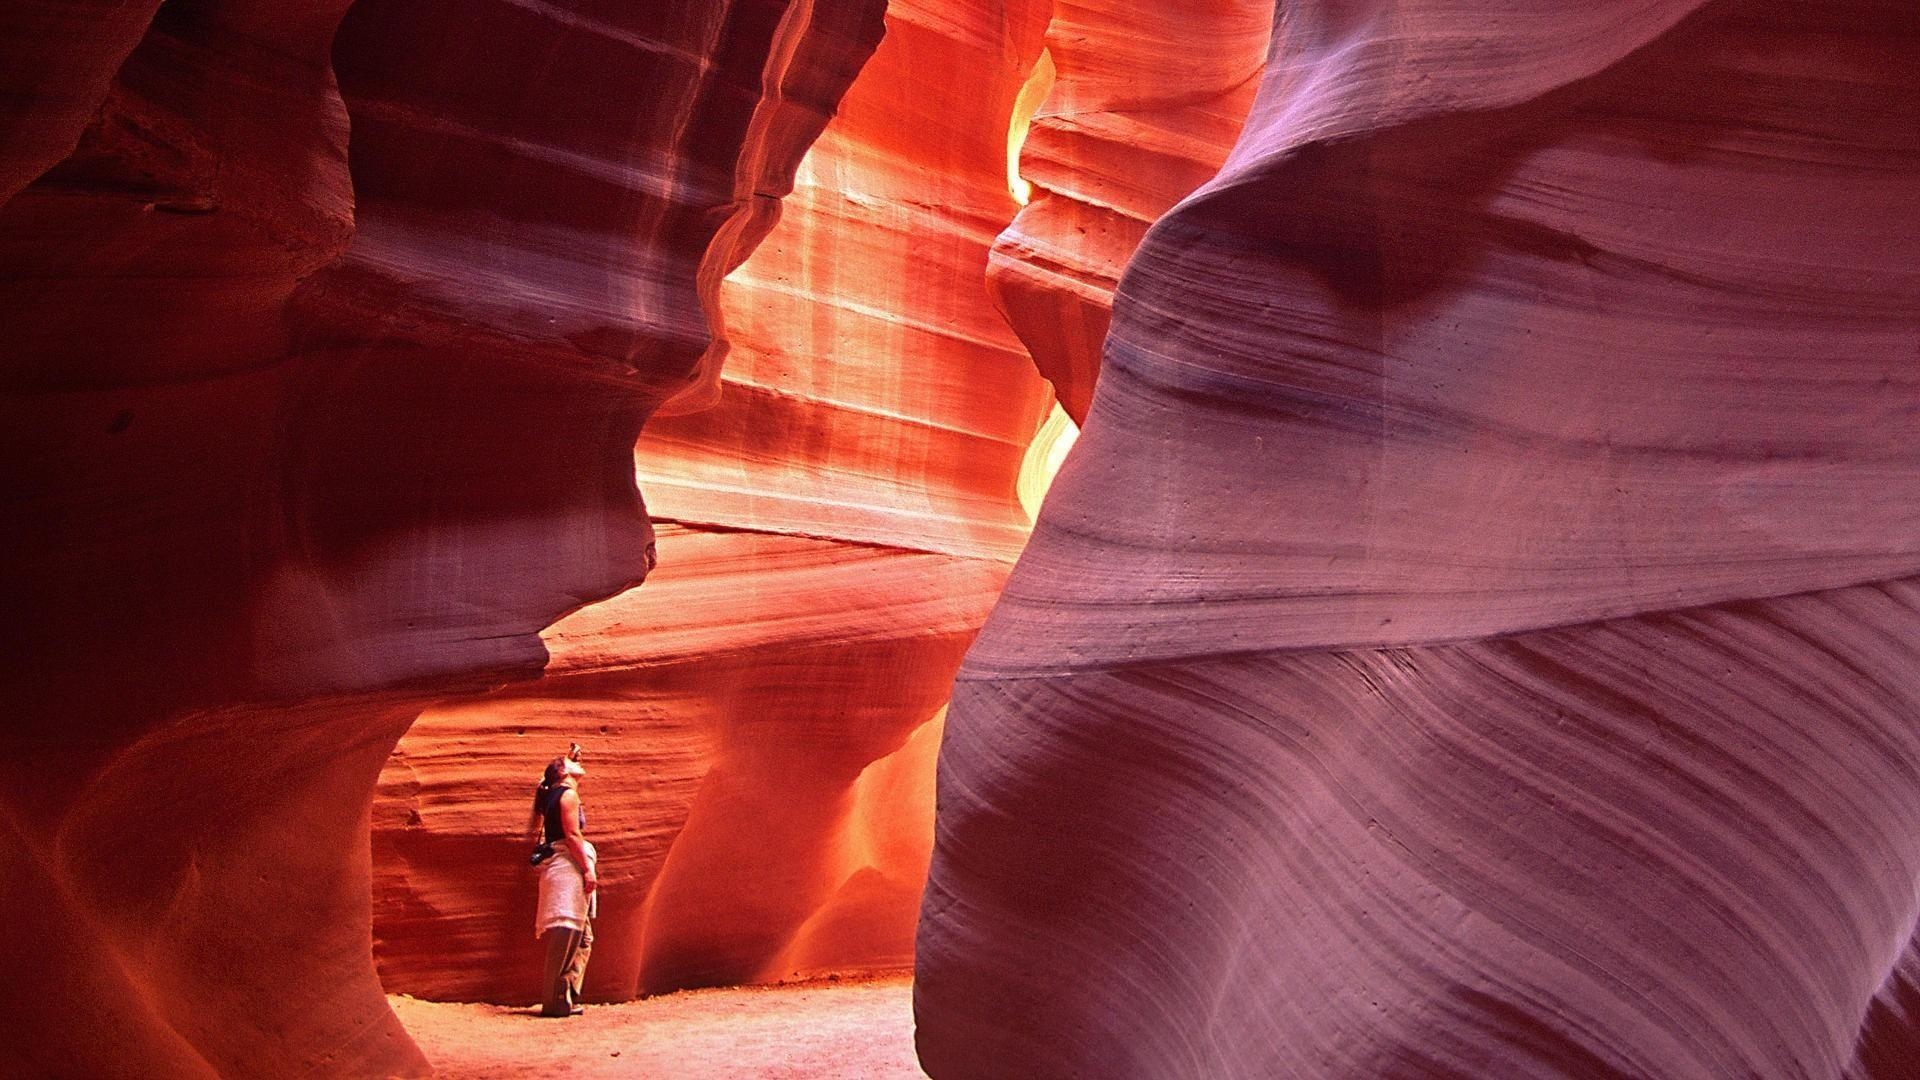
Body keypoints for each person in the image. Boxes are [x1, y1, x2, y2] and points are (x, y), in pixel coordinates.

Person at [528, 743, 596, 1017]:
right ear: (561, 773)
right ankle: (554, 1002)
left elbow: (543, 784)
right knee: (568, 934)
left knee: (583, 936)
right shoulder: (568, 796)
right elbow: (573, 835)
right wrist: (588, 870)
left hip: (560, 866)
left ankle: (564, 996)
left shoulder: (553, 794)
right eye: (569, 763)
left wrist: (567, 760)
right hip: (568, 867)